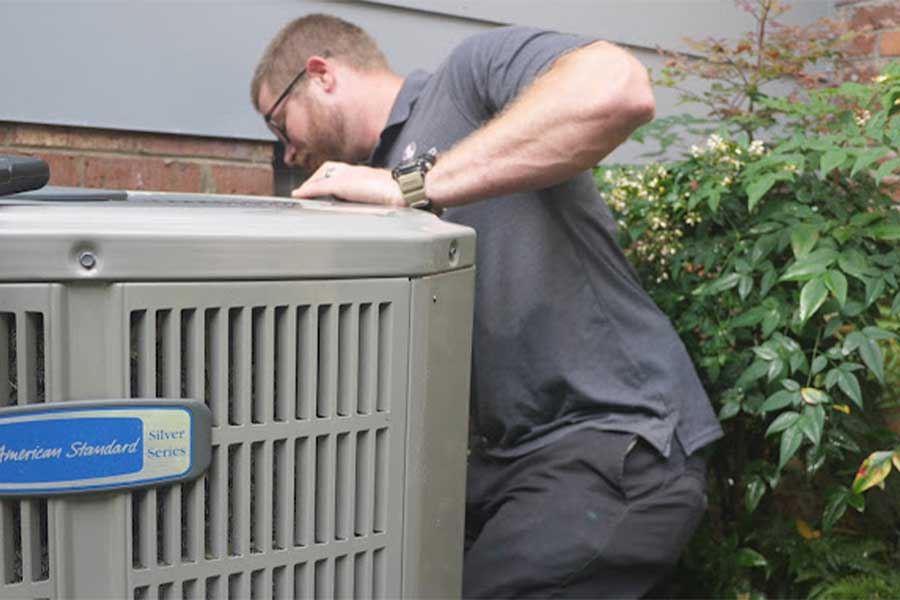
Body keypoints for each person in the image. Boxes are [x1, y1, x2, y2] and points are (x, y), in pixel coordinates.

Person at [251, 14, 723, 598]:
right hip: (507, 462)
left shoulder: (468, 79)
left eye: (279, 124)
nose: (287, 153)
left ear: (321, 74)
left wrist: (410, 186)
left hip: (614, 437)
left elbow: (618, 87)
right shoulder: (364, 186)